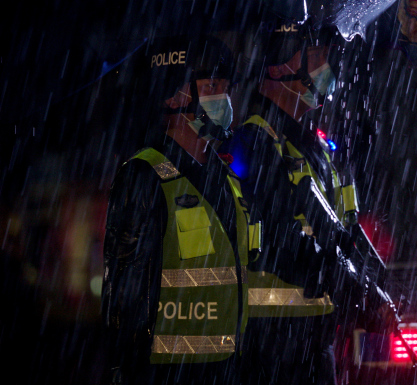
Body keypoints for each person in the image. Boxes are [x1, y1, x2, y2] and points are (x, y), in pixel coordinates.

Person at [223, 20, 399, 385]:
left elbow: (341, 229)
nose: (326, 69)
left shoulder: (318, 148)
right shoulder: (251, 143)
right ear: (278, 69)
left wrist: (372, 285)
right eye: (316, 57)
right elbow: (280, 237)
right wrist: (351, 286)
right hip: (269, 345)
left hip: (317, 338)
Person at [101, 34, 258, 385]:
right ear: (173, 96)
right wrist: (124, 366)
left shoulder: (226, 180)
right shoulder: (144, 175)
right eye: (212, 85)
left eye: (225, 87)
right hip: (167, 373)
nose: (225, 98)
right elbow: (125, 292)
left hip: (226, 369)